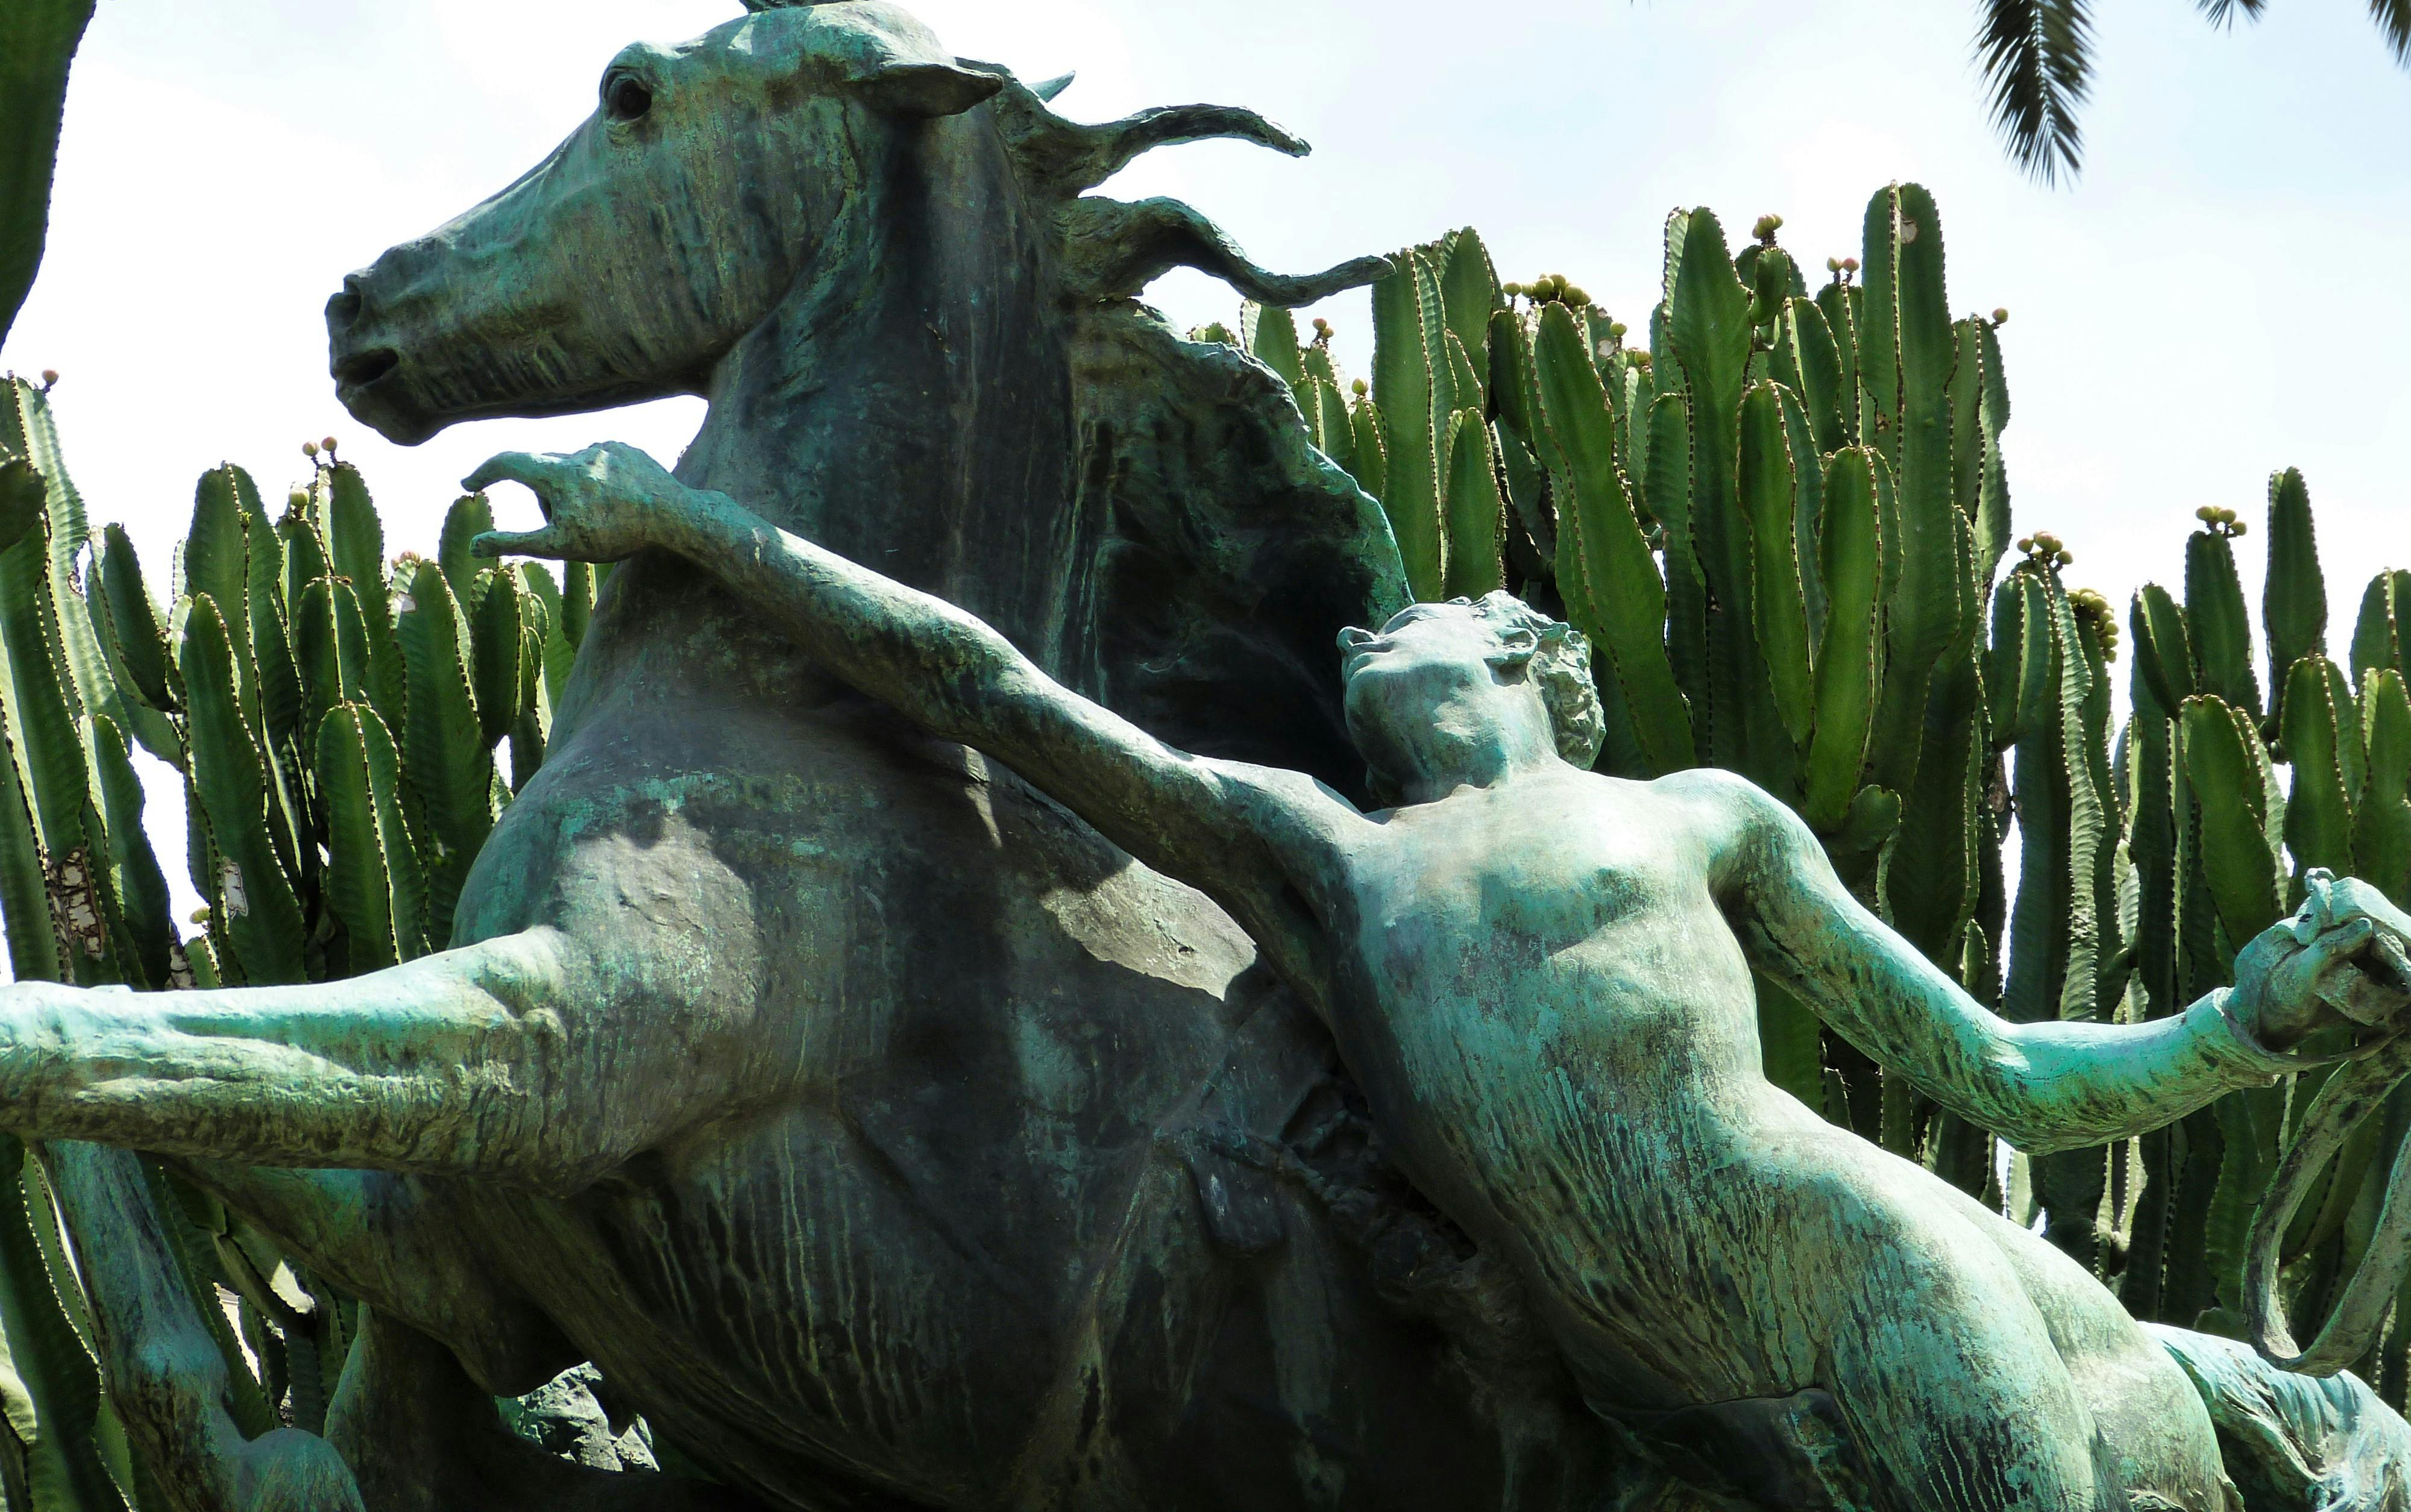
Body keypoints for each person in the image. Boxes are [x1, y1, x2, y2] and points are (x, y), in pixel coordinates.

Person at [467, 441, 2411, 1511]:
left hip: (1868, 1280)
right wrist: (694, 531)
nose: (1374, 630)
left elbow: (1992, 1068)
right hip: (1647, 1411)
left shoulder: (1697, 813)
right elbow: (1000, 692)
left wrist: (2244, 1021)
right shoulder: (1322, 856)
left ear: (1525, 654)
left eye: (1423, 614)